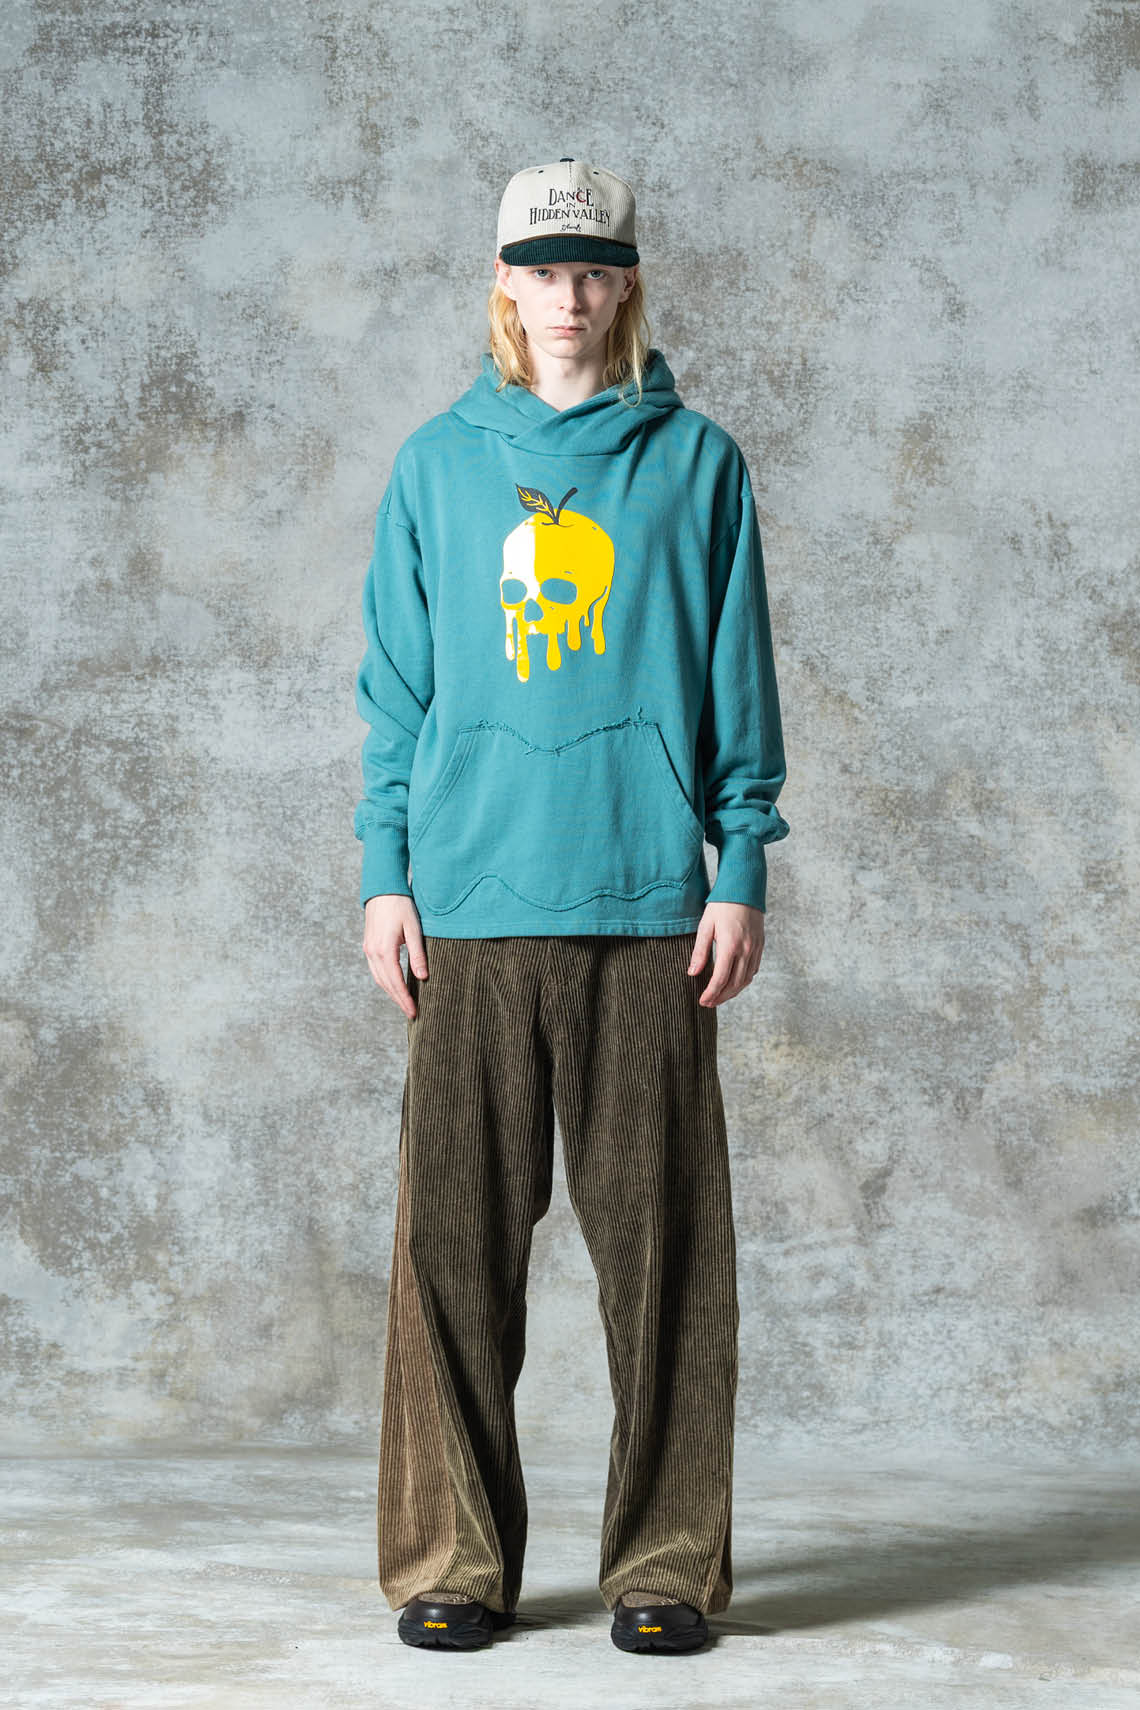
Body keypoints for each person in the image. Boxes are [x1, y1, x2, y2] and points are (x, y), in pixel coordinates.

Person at [353, 157, 790, 1655]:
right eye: (543, 270)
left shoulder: (699, 464)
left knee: (666, 1258)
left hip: (648, 903)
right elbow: (396, 692)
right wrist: (386, 869)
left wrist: (739, 863)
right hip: (471, 901)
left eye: (594, 269)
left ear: (627, 284)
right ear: (505, 283)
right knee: (451, 1253)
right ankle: (453, 1558)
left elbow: (738, 679)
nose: (569, 296)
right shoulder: (436, 467)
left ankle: (665, 1562)